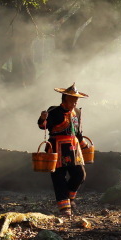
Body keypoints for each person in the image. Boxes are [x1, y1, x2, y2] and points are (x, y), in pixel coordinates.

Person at [37, 84, 90, 217]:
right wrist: (43, 118)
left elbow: (78, 133)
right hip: (56, 148)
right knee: (59, 177)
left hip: (73, 148)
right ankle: (64, 208)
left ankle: (68, 199)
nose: (75, 102)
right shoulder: (53, 111)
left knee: (80, 175)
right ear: (65, 98)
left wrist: (84, 146)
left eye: (76, 100)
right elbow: (43, 126)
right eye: (73, 99)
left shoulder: (77, 112)